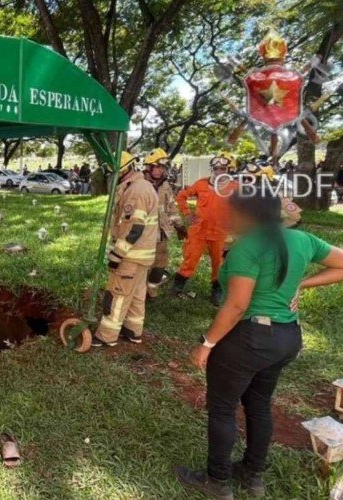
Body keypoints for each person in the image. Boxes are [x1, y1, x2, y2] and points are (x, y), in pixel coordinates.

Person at [176, 185, 343, 499]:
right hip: (286, 337)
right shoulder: (301, 239)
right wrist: (300, 285)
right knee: (259, 405)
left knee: (223, 409)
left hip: (249, 338)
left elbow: (237, 305)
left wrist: (207, 343)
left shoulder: (248, 247)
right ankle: (253, 476)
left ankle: (218, 482)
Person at [93, 152, 158, 347]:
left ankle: (106, 336)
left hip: (130, 256)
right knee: (137, 295)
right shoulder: (141, 186)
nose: (111, 177)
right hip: (143, 256)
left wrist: (117, 254)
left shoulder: (136, 191)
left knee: (117, 295)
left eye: (113, 172)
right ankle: (132, 330)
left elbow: (133, 228)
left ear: (124, 170)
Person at [174, 152, 238, 305]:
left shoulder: (235, 187)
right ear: (212, 169)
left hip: (221, 232)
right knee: (191, 258)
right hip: (199, 230)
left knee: (219, 263)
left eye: (223, 168)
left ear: (228, 170)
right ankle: (178, 286)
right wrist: (187, 213)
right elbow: (181, 196)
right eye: (216, 168)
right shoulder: (201, 184)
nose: (219, 171)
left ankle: (217, 289)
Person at [143, 149, 182, 298]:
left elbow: (171, 207)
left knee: (160, 264)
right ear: (149, 167)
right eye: (157, 167)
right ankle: (139, 293)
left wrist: (178, 225)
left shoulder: (165, 185)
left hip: (161, 233)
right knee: (144, 265)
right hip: (145, 233)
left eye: (162, 168)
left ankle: (152, 291)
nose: (160, 171)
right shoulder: (140, 184)